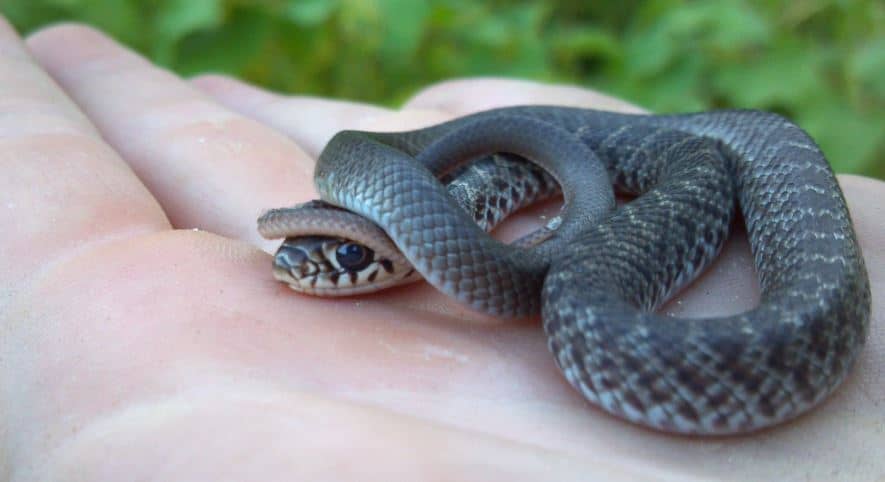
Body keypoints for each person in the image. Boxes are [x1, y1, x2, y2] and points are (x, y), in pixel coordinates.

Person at [1, 18, 881, 480]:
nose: (308, 274)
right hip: (508, 202)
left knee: (697, 162)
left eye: (338, 259)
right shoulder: (463, 205)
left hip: (716, 176)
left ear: (404, 248)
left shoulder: (681, 182)